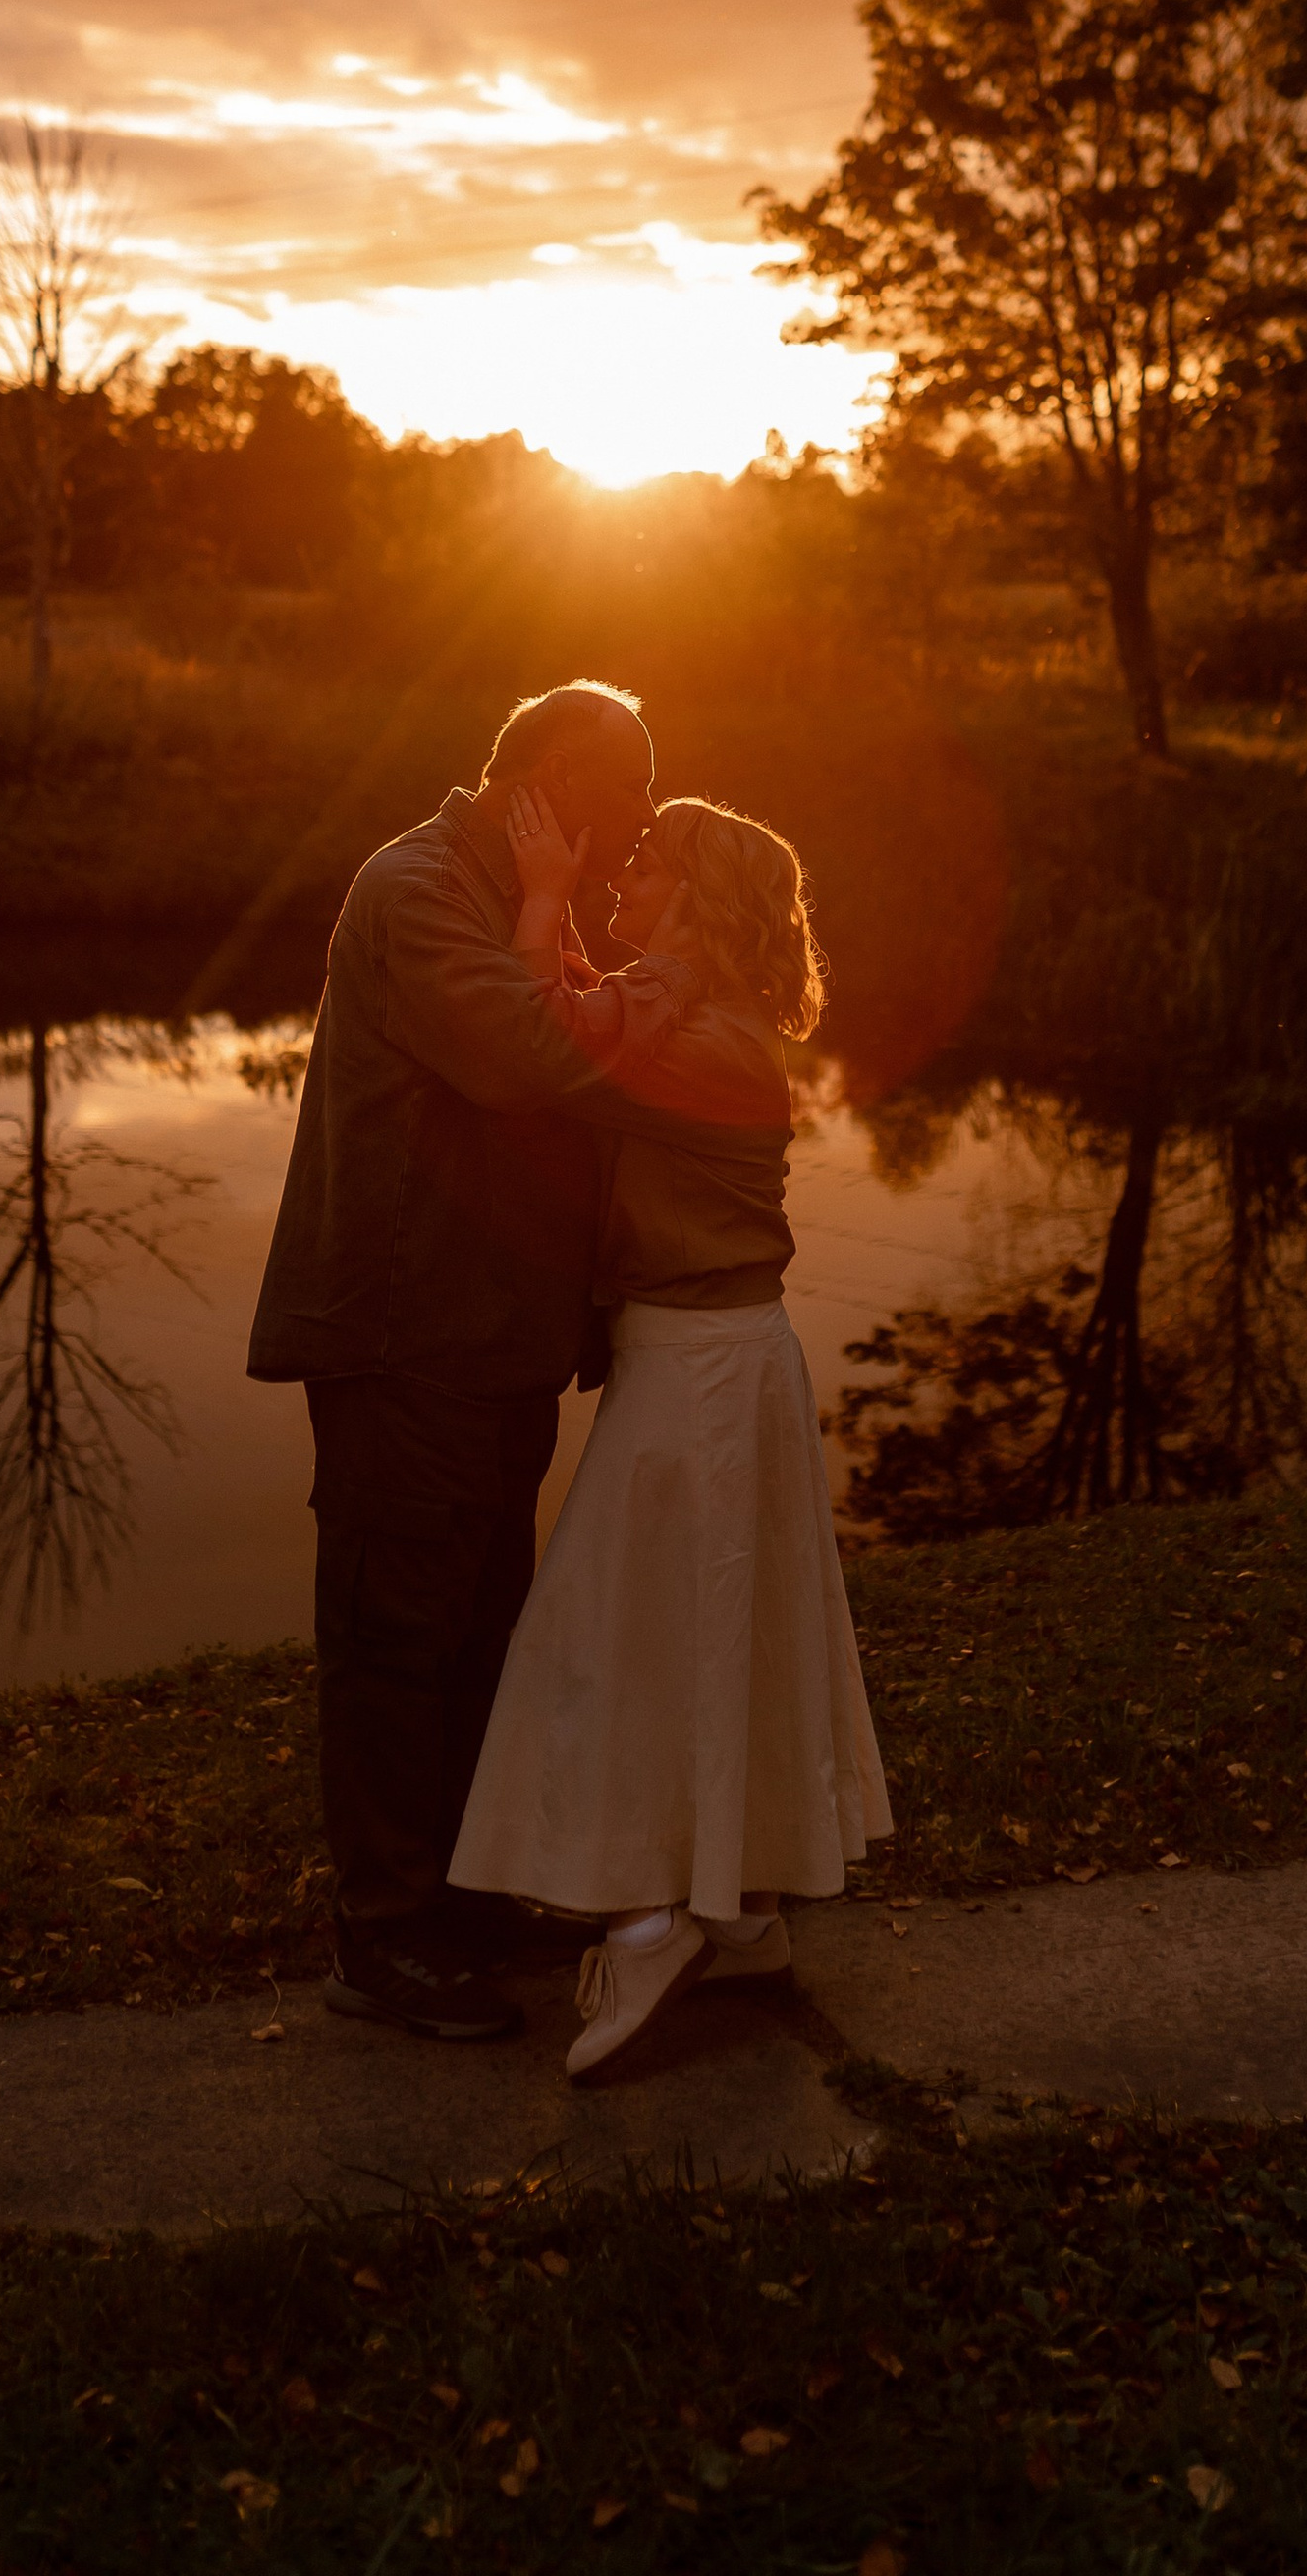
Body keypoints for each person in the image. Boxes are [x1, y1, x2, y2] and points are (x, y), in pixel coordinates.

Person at [246, 681, 786, 2044]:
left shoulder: (508, 891)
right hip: (403, 1326)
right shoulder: (423, 887)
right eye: (620, 804)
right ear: (548, 778)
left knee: (482, 1622)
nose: (626, 838)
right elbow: (537, 1060)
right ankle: (384, 1935)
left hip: (496, 1340)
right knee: (394, 1631)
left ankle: (460, 1892)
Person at [449, 787, 892, 2082]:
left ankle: (649, 1921)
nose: (619, 867)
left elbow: (546, 1049)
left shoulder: (695, 1034)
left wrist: (537, 907)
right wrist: (578, 944)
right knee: (703, 1627)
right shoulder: (692, 1008)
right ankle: (738, 1910)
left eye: (648, 859)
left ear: (700, 895)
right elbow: (604, 1010)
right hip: (703, 1358)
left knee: (616, 1636)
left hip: (699, 1369)